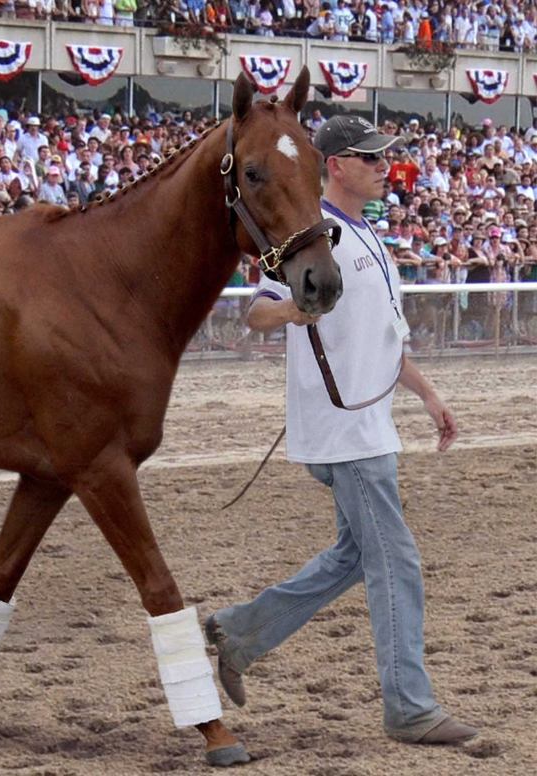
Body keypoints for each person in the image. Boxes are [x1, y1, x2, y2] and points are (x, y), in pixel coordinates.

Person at [203, 116, 478, 747]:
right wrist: (295, 311)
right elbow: (256, 311)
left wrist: (428, 394)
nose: (384, 166)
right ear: (334, 165)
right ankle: (408, 705)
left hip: (367, 424)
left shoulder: (368, 237)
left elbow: (384, 338)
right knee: (396, 561)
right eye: (369, 157)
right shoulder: (310, 236)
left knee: (357, 556)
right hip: (344, 430)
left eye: (384, 157)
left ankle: (241, 631)